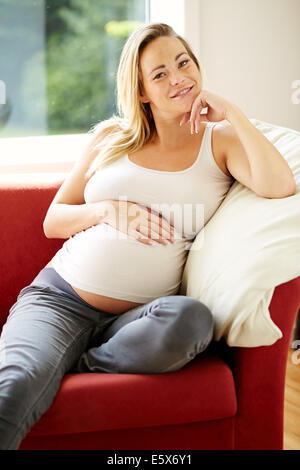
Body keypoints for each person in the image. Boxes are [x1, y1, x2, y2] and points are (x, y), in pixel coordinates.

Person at [0, 22, 295, 451]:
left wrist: (234, 113)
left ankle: (84, 362)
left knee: (191, 321)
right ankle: (53, 359)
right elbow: (54, 220)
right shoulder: (109, 138)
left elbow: (280, 186)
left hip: (138, 320)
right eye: (160, 74)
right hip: (59, 299)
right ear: (141, 92)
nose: (178, 78)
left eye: (183, 63)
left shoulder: (219, 142)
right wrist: (107, 210)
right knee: (16, 383)